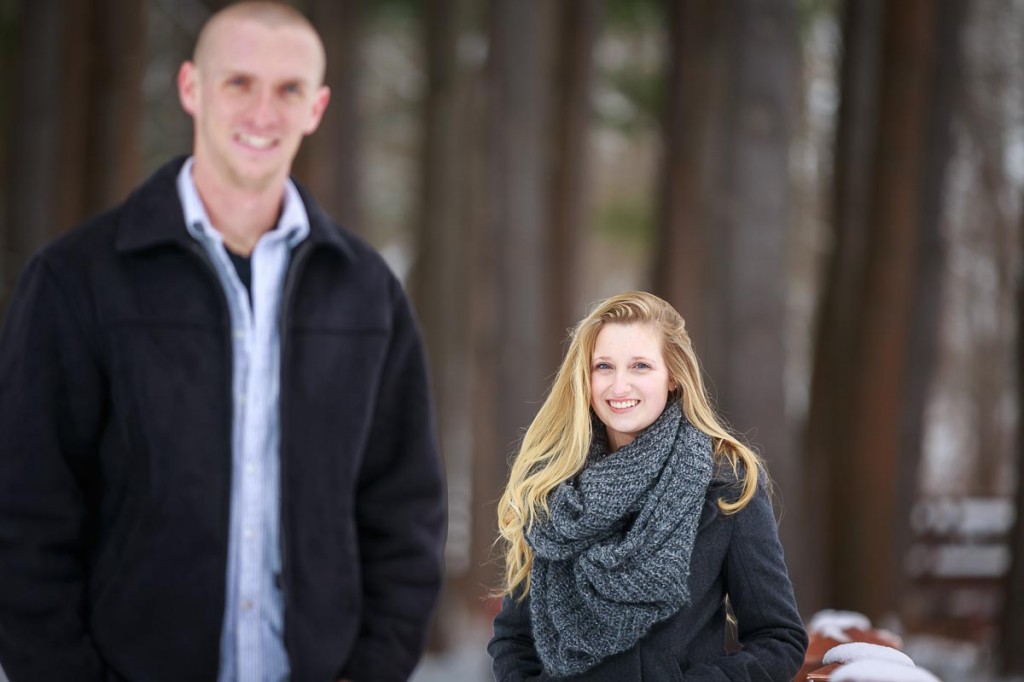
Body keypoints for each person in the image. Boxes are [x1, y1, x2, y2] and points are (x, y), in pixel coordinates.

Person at [0, 3, 445, 681]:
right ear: (190, 88)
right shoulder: (77, 279)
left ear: (317, 106)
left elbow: (404, 512)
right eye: (238, 82)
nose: (263, 113)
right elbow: (25, 513)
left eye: (288, 89)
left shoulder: (366, 293)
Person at [488, 291, 807, 680]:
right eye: (604, 366)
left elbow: (779, 638)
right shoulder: (553, 487)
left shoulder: (725, 483)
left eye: (640, 366)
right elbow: (514, 640)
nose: (619, 386)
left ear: (673, 375)